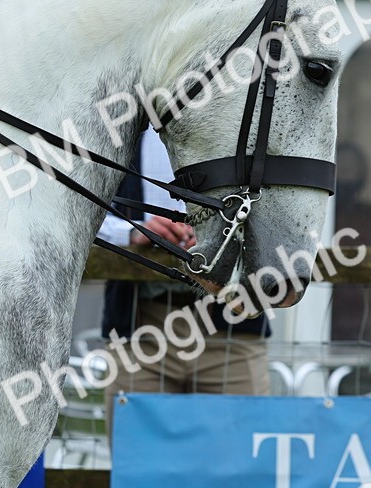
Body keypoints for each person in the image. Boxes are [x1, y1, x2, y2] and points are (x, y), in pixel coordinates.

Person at [97, 130, 270, 439]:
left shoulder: (248, 122)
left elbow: (279, 210)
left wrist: (218, 234)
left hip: (231, 332)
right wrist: (131, 232)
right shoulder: (117, 128)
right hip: (141, 331)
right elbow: (76, 207)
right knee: (137, 470)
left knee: (242, 473)